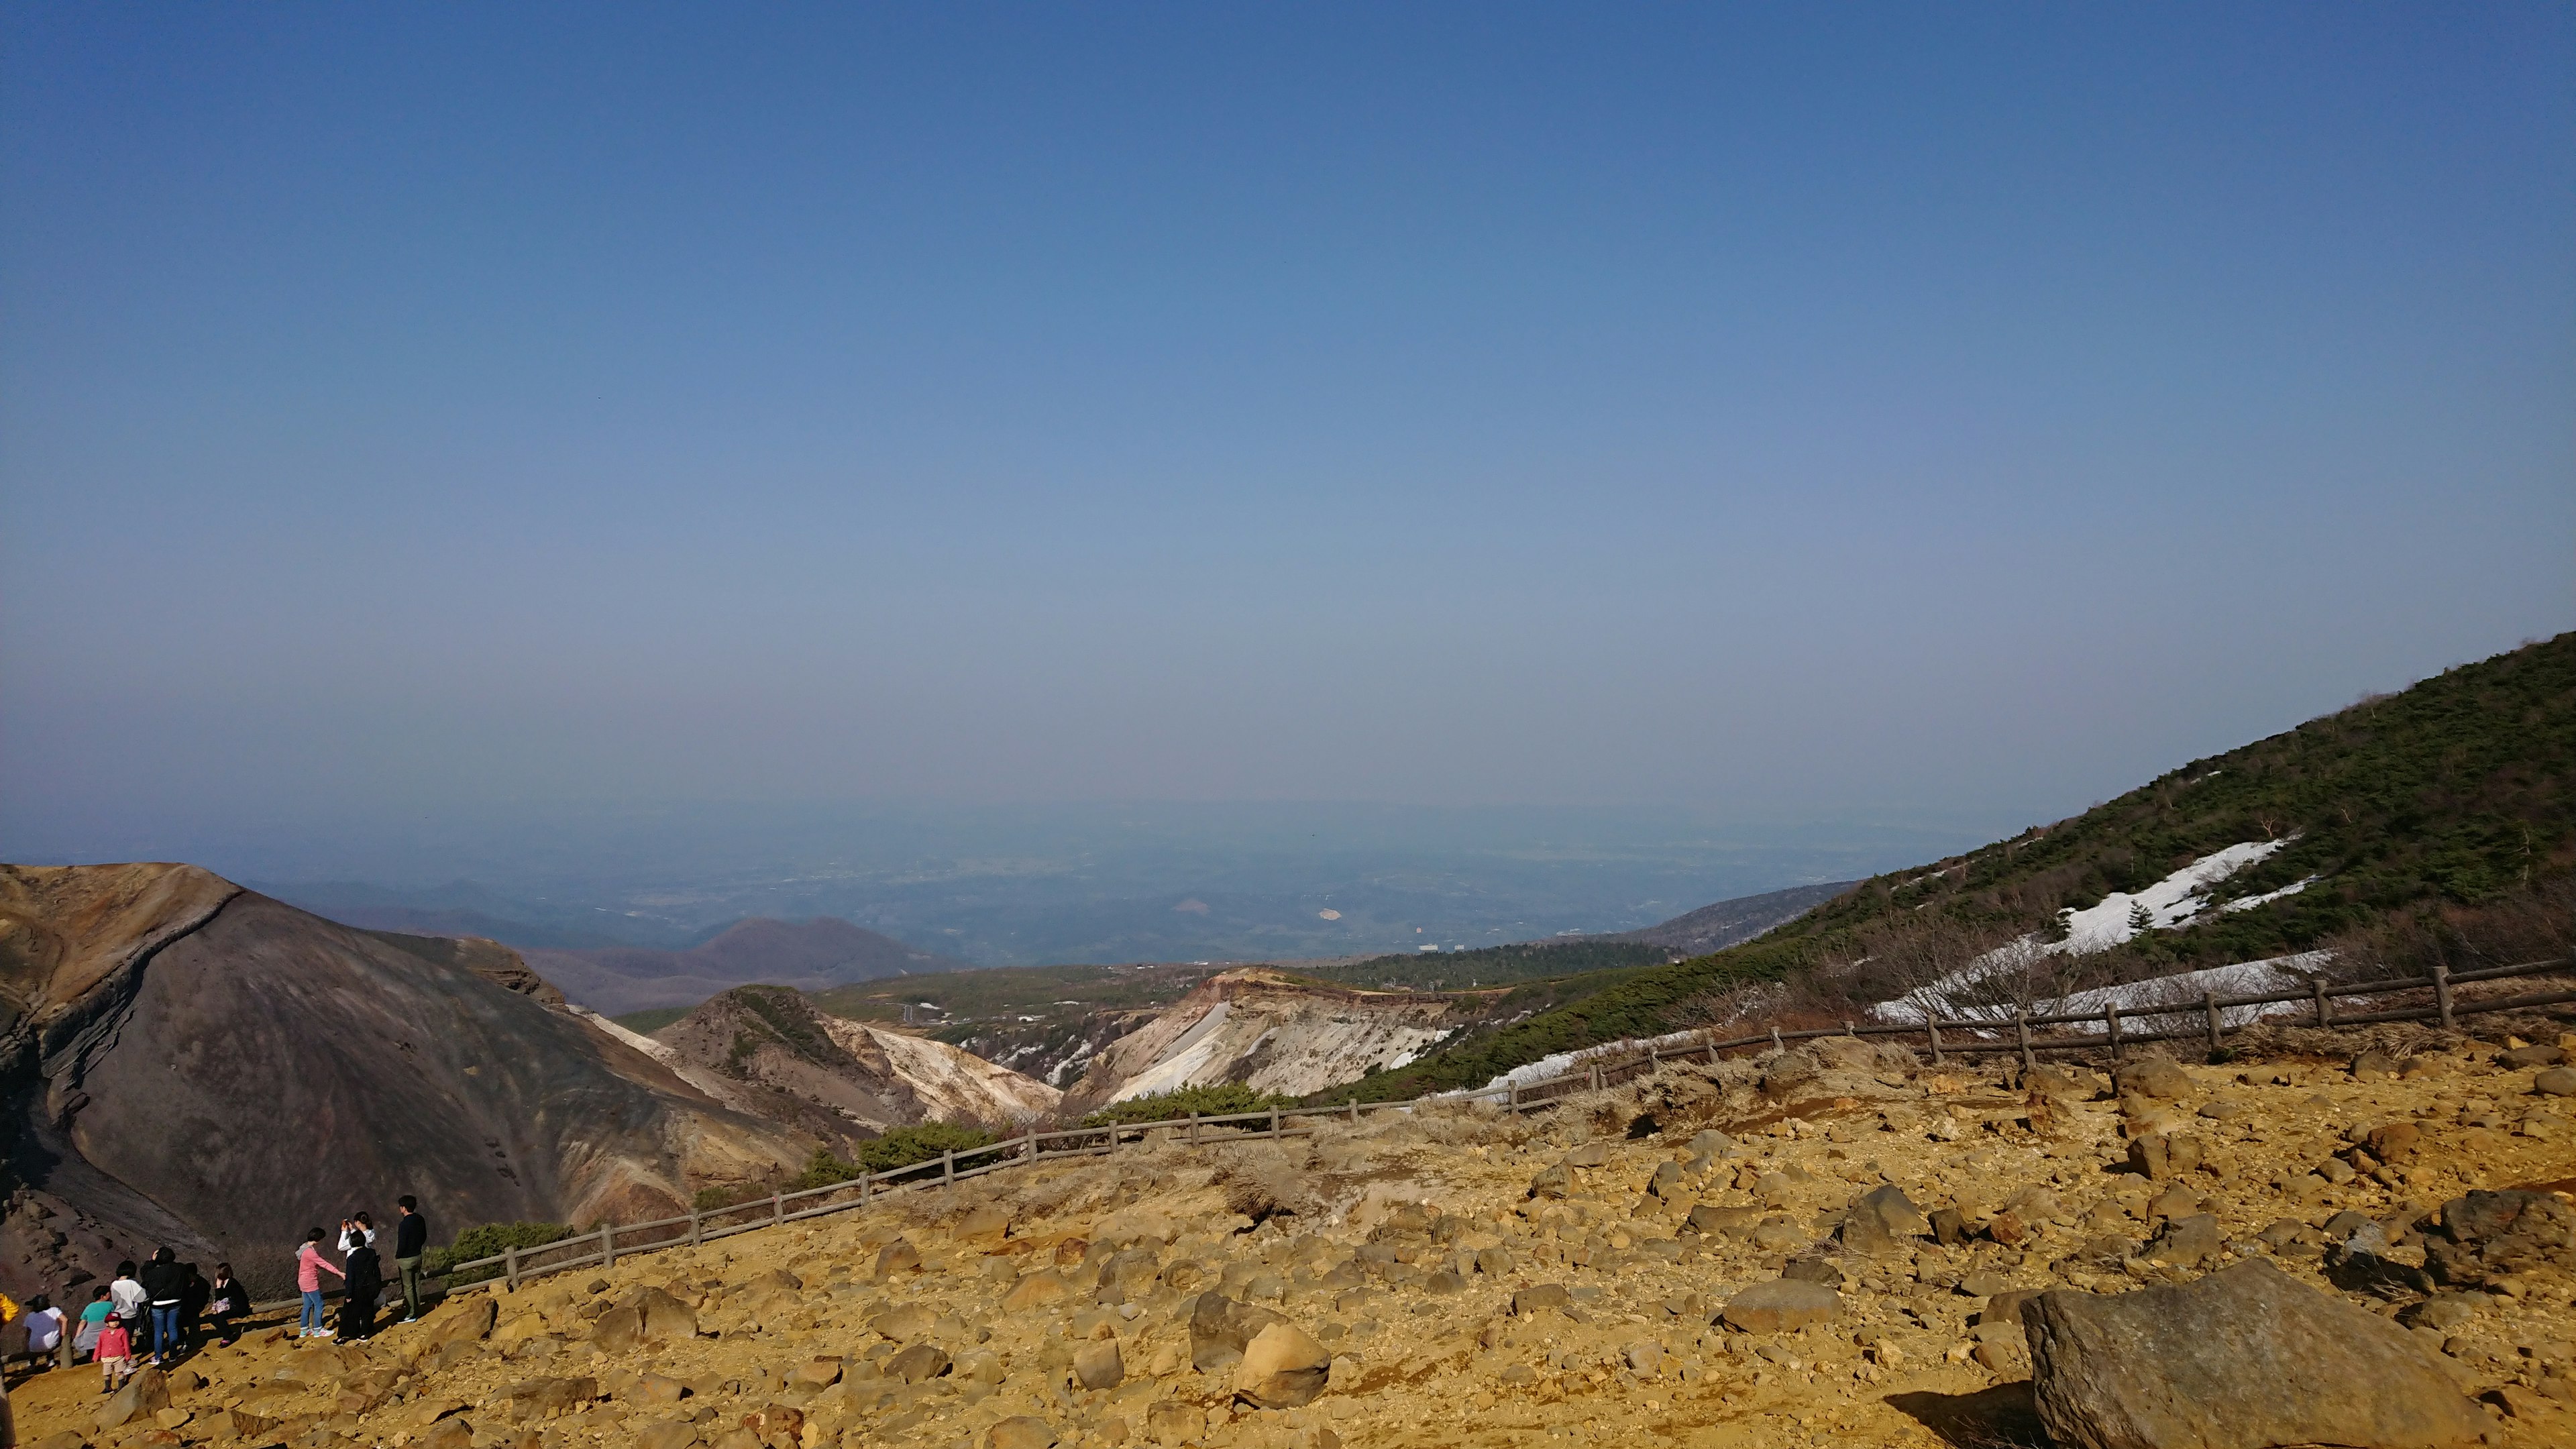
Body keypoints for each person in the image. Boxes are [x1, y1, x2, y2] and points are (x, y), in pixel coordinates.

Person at [138, 1248, 186, 1364]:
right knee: (172, 1328)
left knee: (159, 1331)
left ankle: (159, 1357)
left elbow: (144, 1273)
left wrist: (152, 1261)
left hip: (158, 1304)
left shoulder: (153, 1273)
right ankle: (173, 1355)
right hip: (175, 1301)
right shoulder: (180, 1269)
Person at [294, 1230, 342, 1339]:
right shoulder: (310, 1252)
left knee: (307, 1305)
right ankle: (318, 1329)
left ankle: (304, 1330)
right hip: (310, 1281)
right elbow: (324, 1264)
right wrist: (338, 1272)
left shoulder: (304, 1247)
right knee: (319, 1304)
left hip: (302, 1280)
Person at [337, 1230, 382, 1344]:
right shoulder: (371, 1253)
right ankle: (365, 1332)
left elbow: (350, 1278)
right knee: (368, 1310)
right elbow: (376, 1271)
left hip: (357, 1289)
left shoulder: (352, 1259)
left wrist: (348, 1294)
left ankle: (348, 1334)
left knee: (352, 1312)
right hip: (371, 1287)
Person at [393, 1196, 429, 1323]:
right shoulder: (420, 1219)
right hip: (417, 1255)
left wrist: (398, 1255)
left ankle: (410, 1313)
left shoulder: (404, 1224)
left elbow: (402, 1243)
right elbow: (424, 1236)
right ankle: (417, 1310)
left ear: (403, 1208)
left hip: (406, 1259)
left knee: (408, 1287)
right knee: (417, 1284)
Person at [203, 1264, 245, 1346]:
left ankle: (227, 1338)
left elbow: (220, 1297)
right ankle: (229, 1333)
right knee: (213, 1318)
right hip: (232, 1306)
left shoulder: (231, 1282)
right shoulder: (225, 1283)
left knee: (221, 1316)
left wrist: (218, 1286)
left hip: (239, 1307)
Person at [93, 1313, 132, 1393]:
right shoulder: (103, 1334)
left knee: (120, 1372)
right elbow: (99, 1345)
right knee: (107, 1374)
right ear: (107, 1323)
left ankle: (121, 1387)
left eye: (117, 1321)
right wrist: (96, 1355)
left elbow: (126, 1344)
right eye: (112, 1321)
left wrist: (128, 1355)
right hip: (106, 1358)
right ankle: (108, 1388)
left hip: (119, 1357)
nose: (115, 1323)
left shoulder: (123, 1331)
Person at [71, 1287, 112, 1361]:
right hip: (105, 1333)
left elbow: (82, 1323)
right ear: (103, 1296)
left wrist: (77, 1336)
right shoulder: (110, 1305)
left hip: (90, 1336)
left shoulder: (89, 1307)